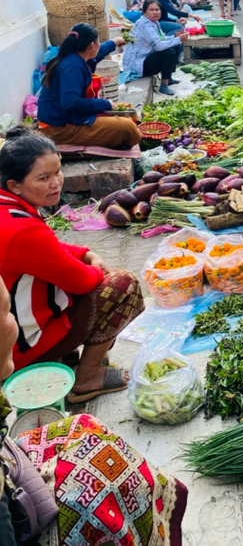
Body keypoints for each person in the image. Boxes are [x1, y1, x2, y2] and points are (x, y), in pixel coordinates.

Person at [0, 277, 187, 546]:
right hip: (18, 520)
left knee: (85, 427)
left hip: (13, 466)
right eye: (7, 314)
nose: (13, 323)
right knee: (104, 492)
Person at [0, 128, 144, 400]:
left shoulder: (6, 209)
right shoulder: (21, 231)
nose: (56, 183)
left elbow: (47, 251)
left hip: (13, 334)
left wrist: (85, 252)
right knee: (122, 286)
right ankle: (86, 379)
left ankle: (67, 354)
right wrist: (95, 267)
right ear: (14, 186)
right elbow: (82, 281)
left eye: (57, 172)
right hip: (16, 352)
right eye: (44, 178)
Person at [37, 25, 142, 149]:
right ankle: (123, 139)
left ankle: (125, 136)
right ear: (92, 45)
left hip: (70, 117)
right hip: (59, 128)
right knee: (127, 127)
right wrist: (104, 104)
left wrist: (114, 42)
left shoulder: (77, 56)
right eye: (98, 41)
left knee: (129, 109)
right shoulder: (73, 67)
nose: (99, 45)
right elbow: (70, 103)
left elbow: (99, 52)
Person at [123, 0, 188, 96]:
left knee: (174, 45)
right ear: (144, 12)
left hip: (145, 57)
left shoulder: (154, 22)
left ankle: (168, 78)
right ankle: (164, 85)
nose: (155, 12)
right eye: (151, 10)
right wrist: (178, 39)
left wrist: (174, 37)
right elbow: (158, 46)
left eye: (157, 10)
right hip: (137, 65)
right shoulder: (145, 25)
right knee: (169, 52)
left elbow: (161, 38)